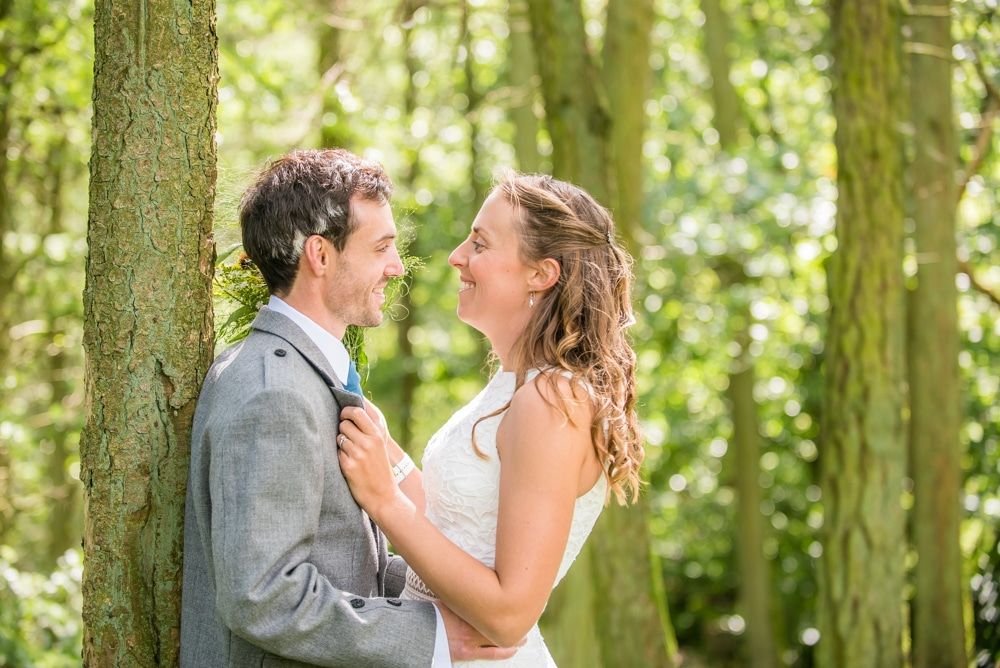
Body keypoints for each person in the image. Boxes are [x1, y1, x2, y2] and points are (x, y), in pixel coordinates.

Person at [180, 148, 517, 667]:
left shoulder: (297, 371)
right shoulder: (274, 392)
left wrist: (459, 598)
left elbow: (343, 560)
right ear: (319, 255)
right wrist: (426, 636)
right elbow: (262, 595)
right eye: (381, 247)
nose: (396, 266)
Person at [335, 173, 644, 666]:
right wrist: (386, 453)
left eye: (479, 243)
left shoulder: (549, 399)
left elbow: (508, 615)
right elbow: (455, 524)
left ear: (540, 274)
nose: (457, 256)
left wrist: (384, 502)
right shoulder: (516, 388)